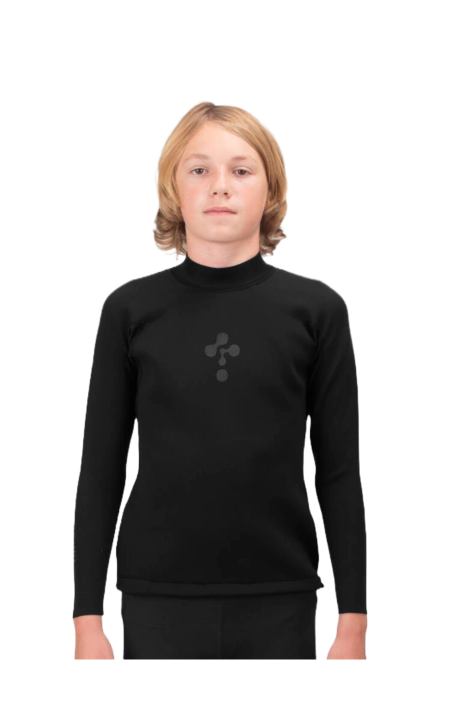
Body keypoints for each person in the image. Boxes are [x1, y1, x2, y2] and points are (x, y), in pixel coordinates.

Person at [72, 101, 368, 663]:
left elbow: (338, 471)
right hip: (158, 593)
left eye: (241, 169)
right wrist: (87, 618)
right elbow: (101, 469)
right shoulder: (130, 310)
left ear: (270, 188)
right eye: (199, 169)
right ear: (173, 189)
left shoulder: (317, 311)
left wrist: (353, 618)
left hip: (280, 593)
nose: (220, 186)